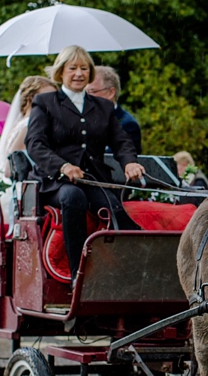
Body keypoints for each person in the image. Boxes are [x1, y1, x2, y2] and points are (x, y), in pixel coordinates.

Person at [25, 45, 145, 277]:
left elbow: (121, 141)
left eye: (83, 68)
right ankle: (77, 274)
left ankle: (129, 271)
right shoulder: (45, 102)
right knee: (73, 197)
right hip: (55, 182)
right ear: (61, 72)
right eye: (73, 68)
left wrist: (129, 162)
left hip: (93, 180)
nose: (79, 73)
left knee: (112, 206)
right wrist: (63, 166)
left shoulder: (103, 106)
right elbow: (35, 144)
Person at [0, 75, 59, 173]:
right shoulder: (29, 126)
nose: (53, 102)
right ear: (31, 98)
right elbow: (10, 165)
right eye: (47, 97)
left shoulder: (20, 123)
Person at [87, 65, 142, 154]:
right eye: (84, 92)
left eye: (92, 91)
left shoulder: (127, 125)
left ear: (111, 92)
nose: (87, 97)